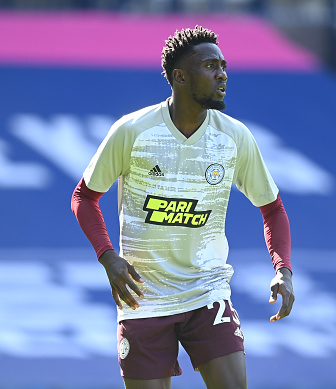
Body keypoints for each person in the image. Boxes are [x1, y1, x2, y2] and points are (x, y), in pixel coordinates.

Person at [71, 26, 294, 389]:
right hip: (144, 297)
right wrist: (108, 257)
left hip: (207, 291)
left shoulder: (234, 137)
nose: (222, 74)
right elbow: (84, 197)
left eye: (223, 65)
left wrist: (283, 270)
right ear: (179, 77)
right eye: (210, 66)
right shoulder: (133, 131)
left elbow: (273, 209)